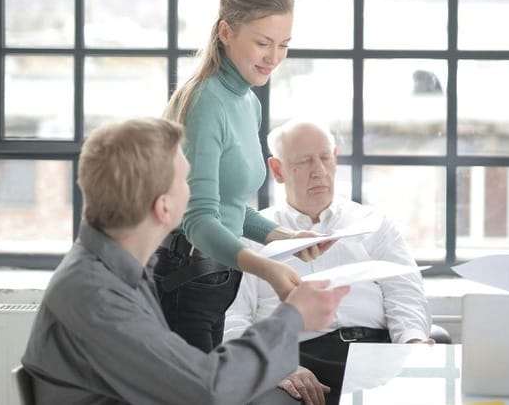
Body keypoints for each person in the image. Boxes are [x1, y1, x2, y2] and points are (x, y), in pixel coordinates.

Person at [21, 118, 349, 404]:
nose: (199, 192)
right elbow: (207, 390)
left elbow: (185, 374)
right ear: (164, 208)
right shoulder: (95, 294)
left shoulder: (117, 268)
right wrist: (293, 317)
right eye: (187, 181)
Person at [155, 0, 325, 352]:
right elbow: (198, 220)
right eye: (263, 42)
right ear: (226, 31)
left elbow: (229, 206)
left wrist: (285, 238)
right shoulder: (206, 102)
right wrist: (266, 267)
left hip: (216, 277)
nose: (274, 57)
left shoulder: (248, 100)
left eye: (284, 44)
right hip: (186, 279)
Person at [224, 119, 434, 405]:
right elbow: (234, 318)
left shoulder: (373, 223)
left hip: (376, 352)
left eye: (325, 158)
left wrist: (412, 343)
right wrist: (274, 366)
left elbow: (405, 292)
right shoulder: (253, 236)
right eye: (304, 161)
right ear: (277, 170)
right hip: (295, 359)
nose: (319, 171)